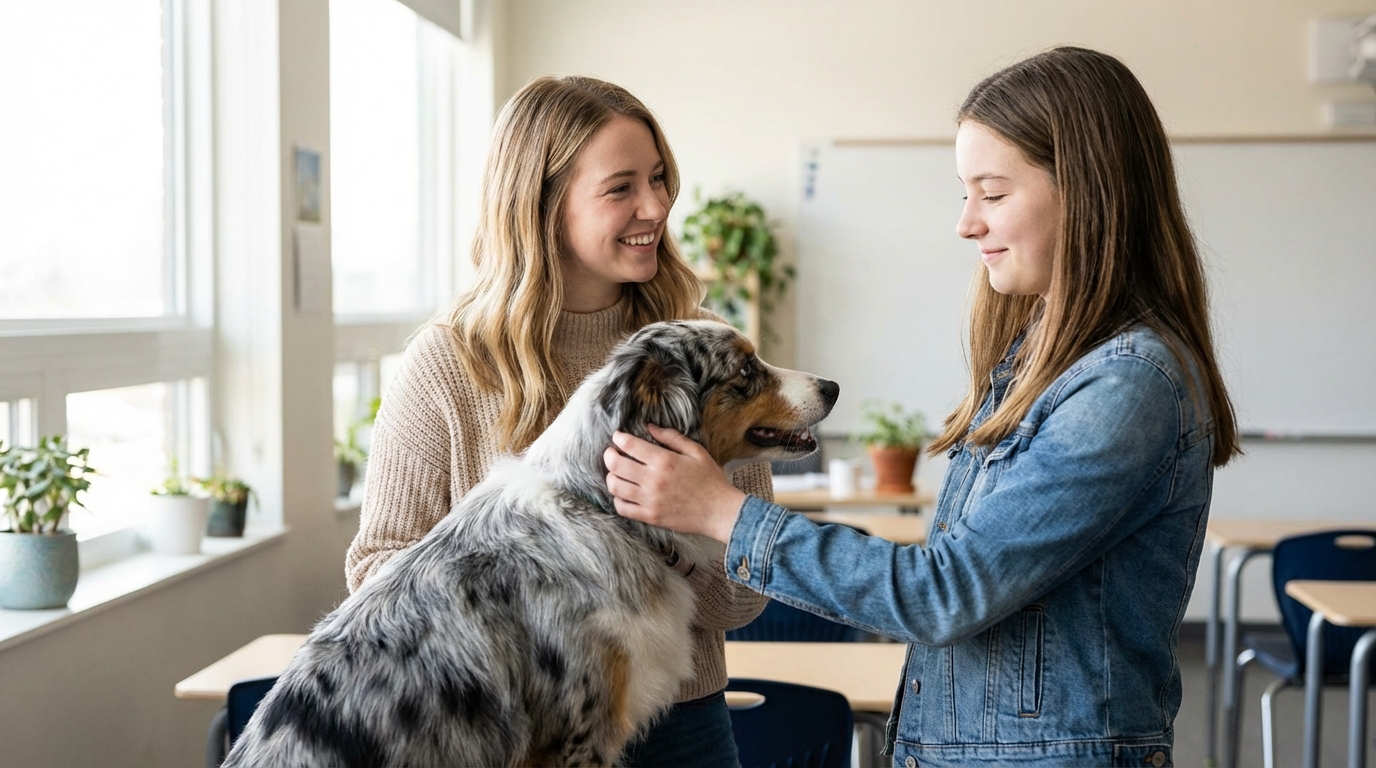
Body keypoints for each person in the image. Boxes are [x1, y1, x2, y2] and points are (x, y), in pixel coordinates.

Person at [604, 46, 1241, 767]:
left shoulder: (1128, 386)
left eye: (993, 194)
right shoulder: (1037, 361)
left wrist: (721, 511)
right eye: (965, 194)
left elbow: (946, 592)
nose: (968, 223)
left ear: (1088, 192)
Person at [345, 75, 772, 767]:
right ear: (541, 204)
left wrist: (666, 547)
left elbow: (744, 595)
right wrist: (536, 595)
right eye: (622, 187)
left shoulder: (702, 351)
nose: (657, 206)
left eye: (660, 179)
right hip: (515, 738)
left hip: (679, 726)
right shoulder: (449, 361)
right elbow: (376, 569)